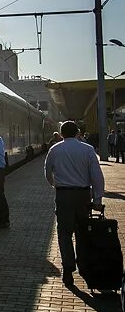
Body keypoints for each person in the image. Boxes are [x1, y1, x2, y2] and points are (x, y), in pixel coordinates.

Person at [44, 120, 104, 286]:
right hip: (84, 195)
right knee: (83, 231)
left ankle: (68, 268)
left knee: (64, 233)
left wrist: (54, 184)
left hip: (63, 195)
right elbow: (97, 176)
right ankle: (84, 267)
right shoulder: (88, 149)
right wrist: (97, 199)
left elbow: (47, 172)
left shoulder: (54, 150)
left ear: (61, 134)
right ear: (78, 133)